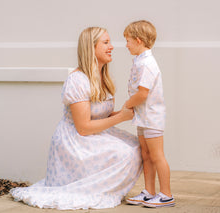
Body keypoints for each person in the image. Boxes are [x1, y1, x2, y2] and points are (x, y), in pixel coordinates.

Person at [10, 27, 142, 210]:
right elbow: (83, 127)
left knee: (136, 146)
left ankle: (105, 189)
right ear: (91, 47)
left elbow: (99, 115)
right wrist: (121, 117)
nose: (111, 46)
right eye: (105, 43)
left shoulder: (103, 78)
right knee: (125, 153)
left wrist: (126, 111)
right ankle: (91, 190)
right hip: (75, 139)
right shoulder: (77, 80)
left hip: (93, 133)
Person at [123, 20, 175, 208]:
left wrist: (127, 105)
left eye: (128, 40)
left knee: (156, 155)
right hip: (143, 117)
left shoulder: (147, 64)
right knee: (146, 154)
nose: (126, 45)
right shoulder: (139, 61)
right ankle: (149, 191)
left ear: (138, 40)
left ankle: (166, 194)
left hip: (152, 117)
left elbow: (143, 93)